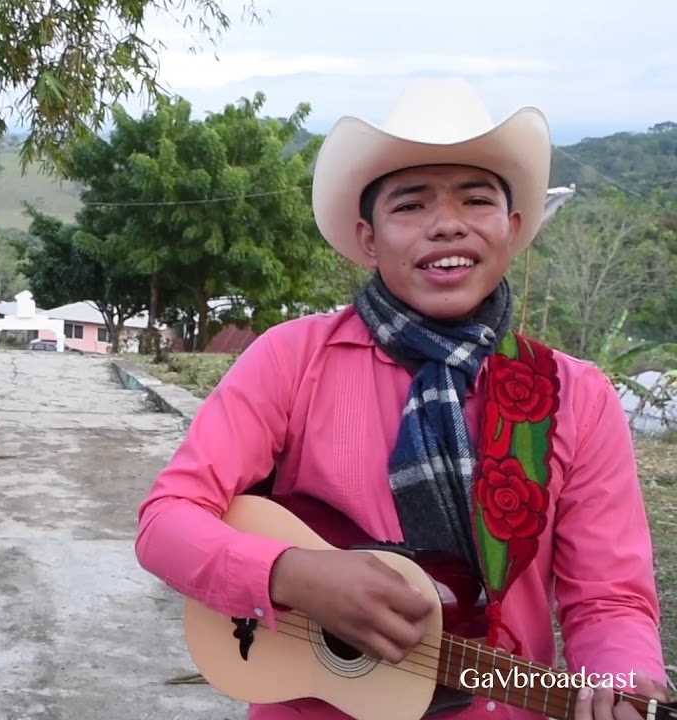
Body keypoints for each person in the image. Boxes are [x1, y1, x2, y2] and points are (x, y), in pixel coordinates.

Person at [136, 78, 669, 720]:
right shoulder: (292, 358)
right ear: (367, 237)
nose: (447, 225)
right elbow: (167, 521)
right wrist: (294, 575)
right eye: (411, 206)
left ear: (514, 226)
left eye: (476, 200)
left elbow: (609, 598)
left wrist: (620, 678)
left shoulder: (575, 396)